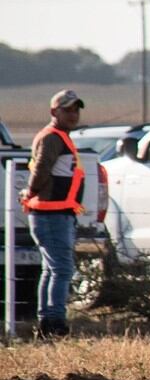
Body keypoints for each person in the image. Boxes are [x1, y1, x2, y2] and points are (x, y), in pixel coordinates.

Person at [20, 90, 87, 338]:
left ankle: (48, 322)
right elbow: (40, 170)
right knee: (62, 269)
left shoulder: (60, 137)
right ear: (54, 112)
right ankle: (55, 323)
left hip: (57, 213)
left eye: (76, 110)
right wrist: (31, 191)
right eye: (67, 109)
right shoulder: (51, 138)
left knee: (52, 269)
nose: (73, 114)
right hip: (50, 214)